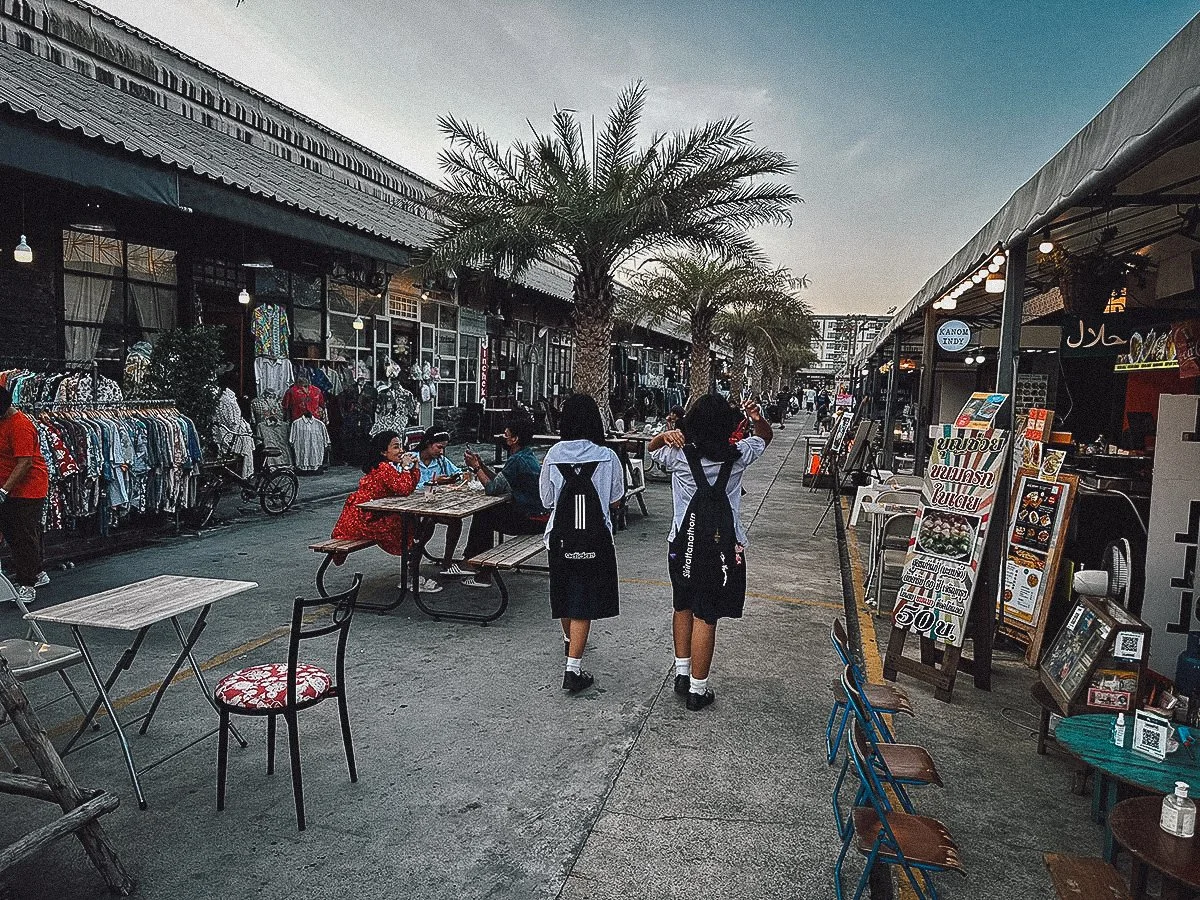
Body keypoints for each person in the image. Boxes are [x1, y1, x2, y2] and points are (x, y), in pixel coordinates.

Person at [648, 394, 772, 711]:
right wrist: (756, 417)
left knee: (683, 605)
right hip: (722, 548)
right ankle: (698, 690)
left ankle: (681, 673)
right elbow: (764, 437)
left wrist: (666, 435)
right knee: (707, 615)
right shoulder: (740, 454)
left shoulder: (677, 455)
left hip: (682, 545)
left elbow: (651, 449)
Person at [539, 394, 625, 693]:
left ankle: (570, 642)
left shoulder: (552, 455)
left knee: (565, 593)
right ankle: (573, 668)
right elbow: (615, 500)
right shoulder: (608, 456)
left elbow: (547, 501)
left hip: (560, 539)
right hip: (595, 540)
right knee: (584, 602)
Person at [331, 430, 442, 594]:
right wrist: (406, 467)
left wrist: (414, 468)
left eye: (401, 446)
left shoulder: (388, 467)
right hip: (365, 518)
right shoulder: (383, 468)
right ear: (383, 452)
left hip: (373, 514)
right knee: (411, 527)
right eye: (396, 447)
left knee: (420, 525)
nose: (401, 451)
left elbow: (407, 486)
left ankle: (412, 566)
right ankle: (411, 572)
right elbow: (403, 489)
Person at [460, 416, 550, 587]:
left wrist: (477, 468)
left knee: (484, 514)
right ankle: (474, 563)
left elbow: (493, 489)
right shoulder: (526, 455)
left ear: (515, 439)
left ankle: (479, 569)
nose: (504, 437)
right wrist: (480, 465)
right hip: (540, 517)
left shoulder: (517, 460)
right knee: (488, 512)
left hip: (534, 520)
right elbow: (501, 483)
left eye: (506, 435)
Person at [0, 385, 50, 604]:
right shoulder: (3, 422)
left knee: (22, 535)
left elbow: (25, 462)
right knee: (15, 533)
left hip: (28, 489)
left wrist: (4, 490)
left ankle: (27, 584)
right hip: (9, 486)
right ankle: (37, 572)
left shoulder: (20, 425)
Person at [412, 427, 470, 578]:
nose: (442, 452)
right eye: (439, 447)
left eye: (444, 448)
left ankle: (447, 561)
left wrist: (454, 479)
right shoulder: (411, 460)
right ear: (428, 443)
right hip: (413, 505)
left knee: (456, 520)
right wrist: (434, 482)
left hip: (435, 504)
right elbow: (407, 486)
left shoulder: (441, 461)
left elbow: (457, 472)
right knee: (427, 522)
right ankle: (413, 560)